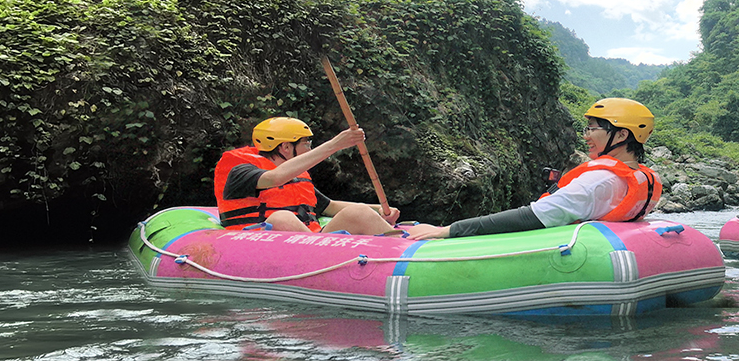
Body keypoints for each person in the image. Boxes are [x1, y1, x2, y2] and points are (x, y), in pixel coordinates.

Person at [403, 98, 663, 240]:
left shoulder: (595, 184)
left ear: (620, 136)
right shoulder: (646, 179)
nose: (586, 136)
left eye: (593, 128)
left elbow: (530, 217)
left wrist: (447, 230)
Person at [212, 117, 400, 235]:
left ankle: (398, 250)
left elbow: (330, 206)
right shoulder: (240, 171)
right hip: (257, 239)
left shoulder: (296, 178)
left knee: (359, 212)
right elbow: (273, 178)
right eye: (306, 144)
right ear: (286, 147)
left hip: (312, 239)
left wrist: (379, 211)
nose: (309, 148)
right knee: (282, 218)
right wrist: (334, 145)